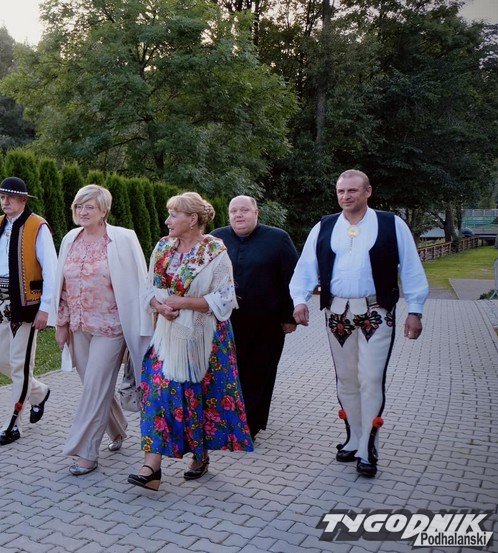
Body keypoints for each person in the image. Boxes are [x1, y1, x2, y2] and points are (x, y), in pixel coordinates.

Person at [289, 169, 428, 477]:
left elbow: (411, 268)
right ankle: (353, 436)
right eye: (341, 191)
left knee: (370, 378)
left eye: (352, 190)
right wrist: (299, 300)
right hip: (337, 314)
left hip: (376, 312)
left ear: (368, 191)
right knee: (346, 380)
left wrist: (415, 310)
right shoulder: (324, 226)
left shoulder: (391, 224)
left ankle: (368, 445)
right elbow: (305, 268)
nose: (346, 196)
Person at [128, 192, 253, 491]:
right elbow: (149, 289)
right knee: (158, 393)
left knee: (200, 397)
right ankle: (152, 467)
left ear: (193, 219)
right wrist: (160, 307)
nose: (167, 221)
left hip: (205, 339)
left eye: (174, 215)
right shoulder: (163, 247)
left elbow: (225, 297)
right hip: (167, 338)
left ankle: (200, 455)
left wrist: (182, 303)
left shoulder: (214, 250)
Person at [49, 185, 153, 475]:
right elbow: (62, 286)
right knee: (94, 386)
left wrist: (142, 328)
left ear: (104, 210)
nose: (82, 212)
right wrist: (61, 324)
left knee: (95, 388)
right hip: (79, 326)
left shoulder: (122, 238)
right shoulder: (70, 238)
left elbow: (139, 282)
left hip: (111, 327)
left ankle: (85, 452)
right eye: (78, 206)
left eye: (89, 207)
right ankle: (117, 429)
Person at [211, 196, 299, 439]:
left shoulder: (278, 239)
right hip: (226, 320)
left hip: (266, 322)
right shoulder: (216, 238)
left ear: (256, 212)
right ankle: (228, 419)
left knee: (260, 371)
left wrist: (289, 316)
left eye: (244, 210)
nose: (238, 215)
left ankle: (251, 424)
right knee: (229, 371)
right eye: (233, 211)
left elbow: (292, 278)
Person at [0, 177, 57, 446]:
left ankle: (13, 423)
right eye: (2, 197)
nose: (5, 201)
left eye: (10, 197)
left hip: (25, 304)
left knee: (20, 365)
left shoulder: (38, 226)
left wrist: (45, 309)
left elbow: (51, 269)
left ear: (23, 200)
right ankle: (39, 392)